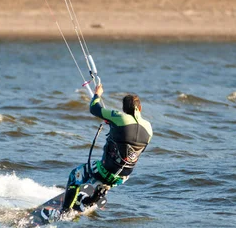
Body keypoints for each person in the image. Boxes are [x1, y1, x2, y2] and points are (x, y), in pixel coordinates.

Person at [42, 83, 153, 220]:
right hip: (122, 177)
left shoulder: (119, 117)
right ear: (140, 108)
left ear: (124, 109)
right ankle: (94, 197)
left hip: (104, 169)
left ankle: (64, 212)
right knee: (108, 174)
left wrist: (97, 94)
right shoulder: (149, 128)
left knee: (75, 175)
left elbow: (94, 108)